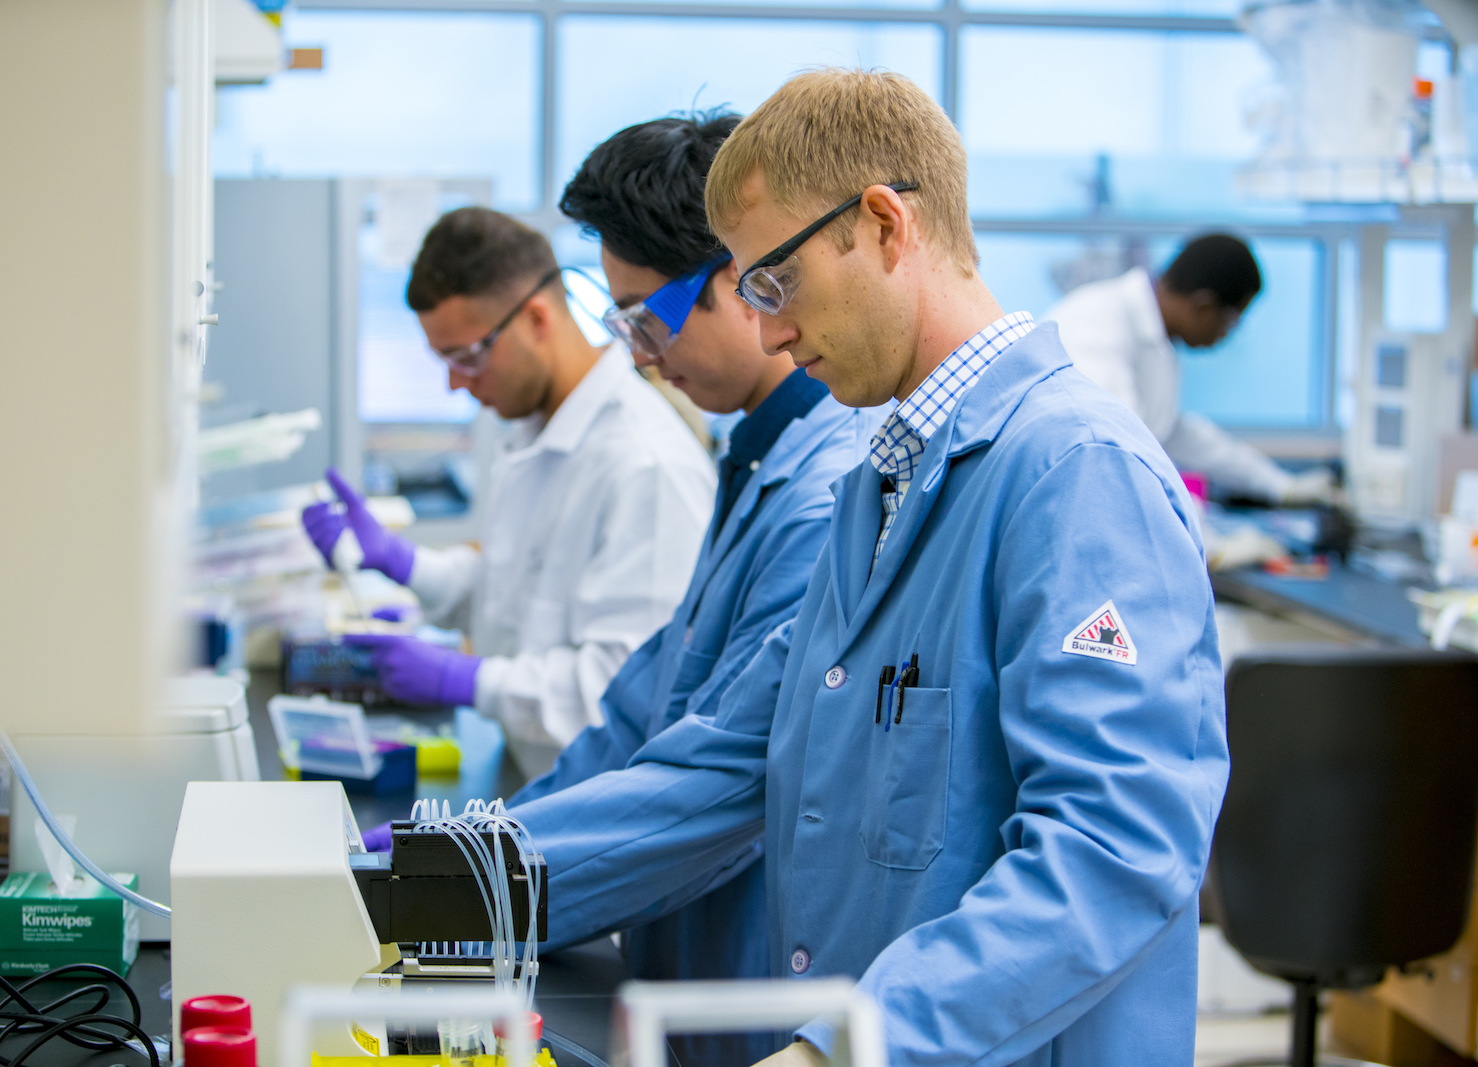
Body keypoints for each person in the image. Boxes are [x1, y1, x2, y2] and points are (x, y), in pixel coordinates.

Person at [510, 69, 1228, 1067]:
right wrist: (458, 873)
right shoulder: (878, 483)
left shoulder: (1075, 474)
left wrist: (849, 1046)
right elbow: (728, 754)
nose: (764, 328)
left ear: (886, 225)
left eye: (774, 282)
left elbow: (1111, 851)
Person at [509, 111, 883, 1067]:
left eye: (650, 316)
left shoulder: (827, 495)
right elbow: (643, 709)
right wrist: (467, 847)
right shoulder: (757, 459)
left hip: (749, 984)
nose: (637, 351)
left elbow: (725, 774)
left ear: (743, 275)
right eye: (621, 318)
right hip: (683, 966)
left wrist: (465, 886)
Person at [302, 207, 716, 780]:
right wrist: (401, 562)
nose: (454, 383)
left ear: (537, 320)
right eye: (442, 361)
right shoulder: (536, 432)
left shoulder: (644, 464)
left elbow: (618, 691)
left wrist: (463, 679)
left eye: (467, 357)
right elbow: (512, 593)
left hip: (598, 803)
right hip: (536, 773)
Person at [1044, 234, 1335, 503]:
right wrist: (1214, 546)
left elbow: (1171, 432)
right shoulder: (1099, 323)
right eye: (1232, 322)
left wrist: (1280, 485)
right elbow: (1123, 454)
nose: (1226, 336)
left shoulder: (1155, 340)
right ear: (1204, 306)